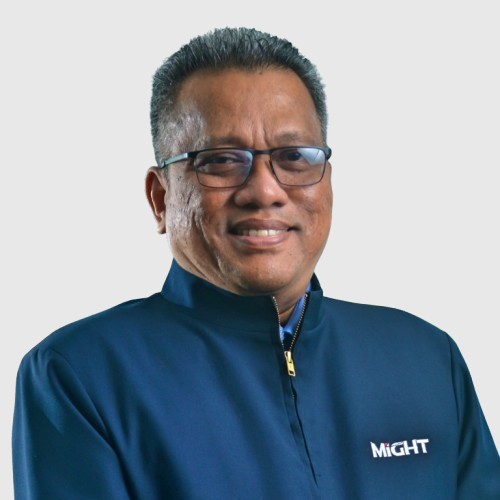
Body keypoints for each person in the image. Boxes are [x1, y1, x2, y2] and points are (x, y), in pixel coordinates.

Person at [12, 27, 500, 499]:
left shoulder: (427, 358)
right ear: (160, 199)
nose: (265, 191)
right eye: (222, 160)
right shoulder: (80, 376)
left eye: (294, 156)